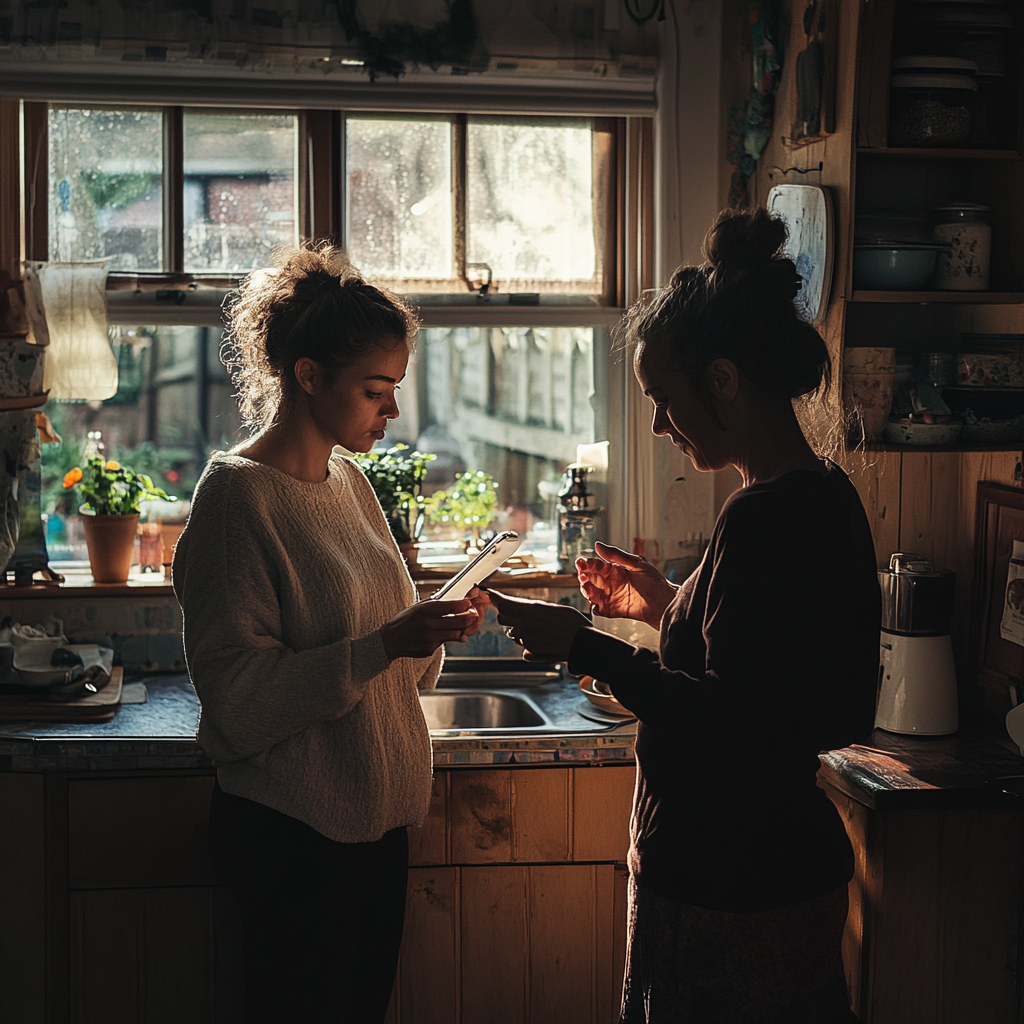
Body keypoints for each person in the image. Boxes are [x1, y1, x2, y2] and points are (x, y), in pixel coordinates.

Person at [489, 209, 879, 1024]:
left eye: (665, 400)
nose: (662, 425)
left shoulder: (766, 517)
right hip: (766, 871)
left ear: (725, 381)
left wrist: (585, 647)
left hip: (733, 887)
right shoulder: (820, 495)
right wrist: (666, 604)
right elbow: (769, 670)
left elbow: (737, 719)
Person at [172, 244, 487, 1024]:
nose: (392, 411)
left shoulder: (350, 482)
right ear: (307, 375)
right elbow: (238, 706)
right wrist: (386, 643)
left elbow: (398, 670)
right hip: (292, 839)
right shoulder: (236, 502)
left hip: (375, 829)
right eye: (375, 390)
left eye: (395, 390)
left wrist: (433, 628)